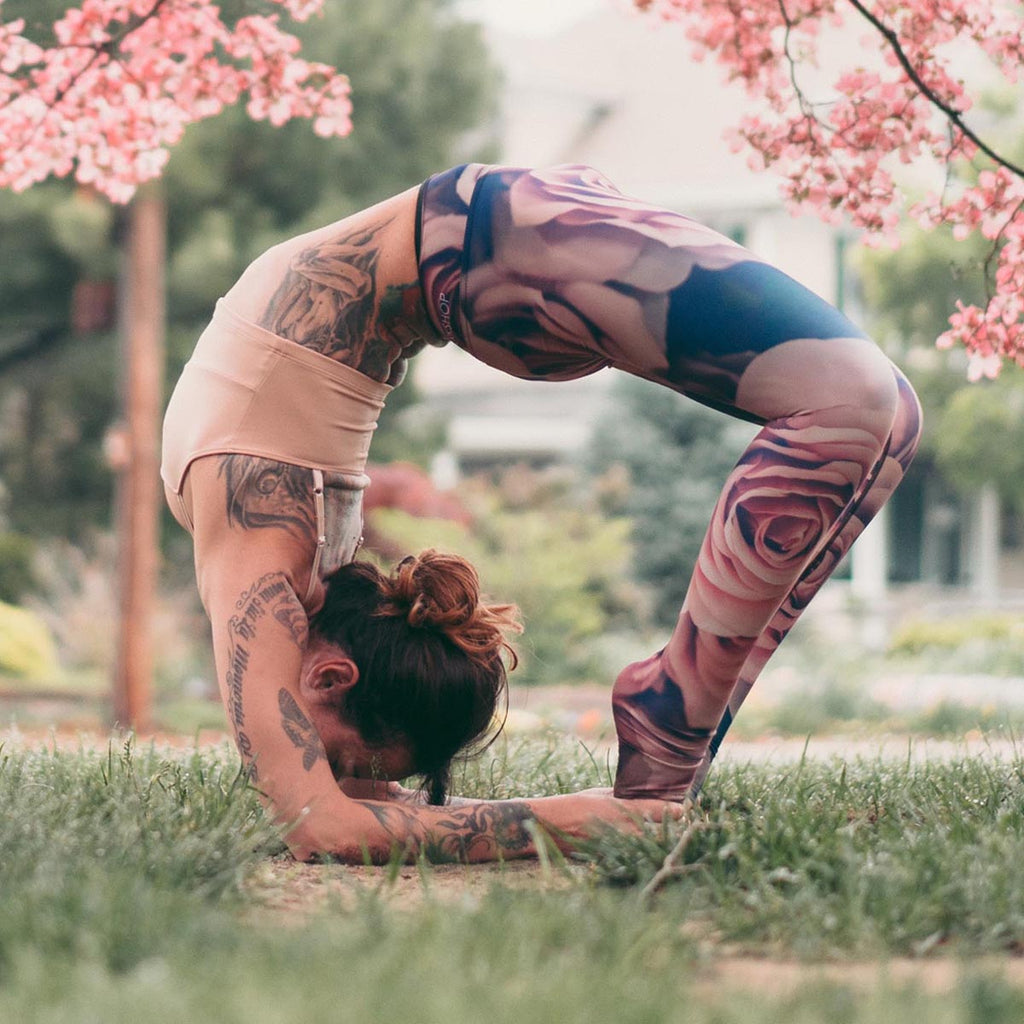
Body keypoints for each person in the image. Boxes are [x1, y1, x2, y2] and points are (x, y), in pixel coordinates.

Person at [161, 162, 921, 862]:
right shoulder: (312, 599)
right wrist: (572, 812)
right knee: (888, 418)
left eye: (351, 766)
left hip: (486, 242)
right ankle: (692, 732)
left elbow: (322, 828)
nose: (346, 780)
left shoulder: (261, 555)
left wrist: (564, 819)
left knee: (858, 405)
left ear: (332, 678)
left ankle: (673, 712)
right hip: (485, 251)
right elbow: (359, 814)